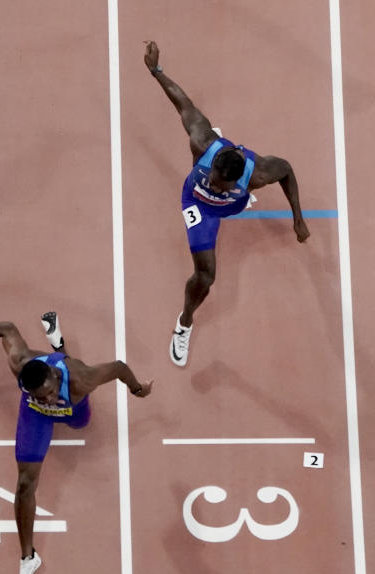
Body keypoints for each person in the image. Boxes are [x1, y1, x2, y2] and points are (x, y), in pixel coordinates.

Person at [0, 312, 152, 574]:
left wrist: (137, 390)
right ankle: (28, 559)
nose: (48, 398)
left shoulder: (81, 379)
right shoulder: (21, 365)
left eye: (49, 392)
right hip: (34, 415)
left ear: (54, 376)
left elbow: (120, 367)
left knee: (80, 424)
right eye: (40, 394)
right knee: (25, 485)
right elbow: (6, 327)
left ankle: (58, 346)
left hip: (72, 407)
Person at [144, 41, 310, 366]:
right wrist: (156, 70)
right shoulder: (201, 142)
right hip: (197, 204)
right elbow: (182, 102)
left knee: (239, 199)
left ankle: (237, 202)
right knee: (205, 277)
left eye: (223, 184)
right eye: (216, 179)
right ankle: (184, 324)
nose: (217, 185)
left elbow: (287, 170)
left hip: (232, 203)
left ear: (238, 180)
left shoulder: (258, 173)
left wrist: (298, 218)